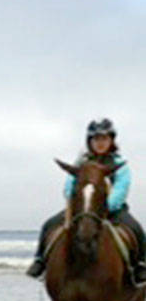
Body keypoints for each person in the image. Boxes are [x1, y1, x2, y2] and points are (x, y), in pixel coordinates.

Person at [27, 118, 146, 284]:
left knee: (136, 228)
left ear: (111, 140)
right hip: (82, 209)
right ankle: (39, 261)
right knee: (49, 224)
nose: (100, 143)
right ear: (90, 141)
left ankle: (140, 266)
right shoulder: (80, 163)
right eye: (96, 139)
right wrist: (78, 203)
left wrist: (106, 206)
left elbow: (121, 188)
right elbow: (69, 186)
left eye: (104, 138)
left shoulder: (119, 164)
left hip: (111, 210)